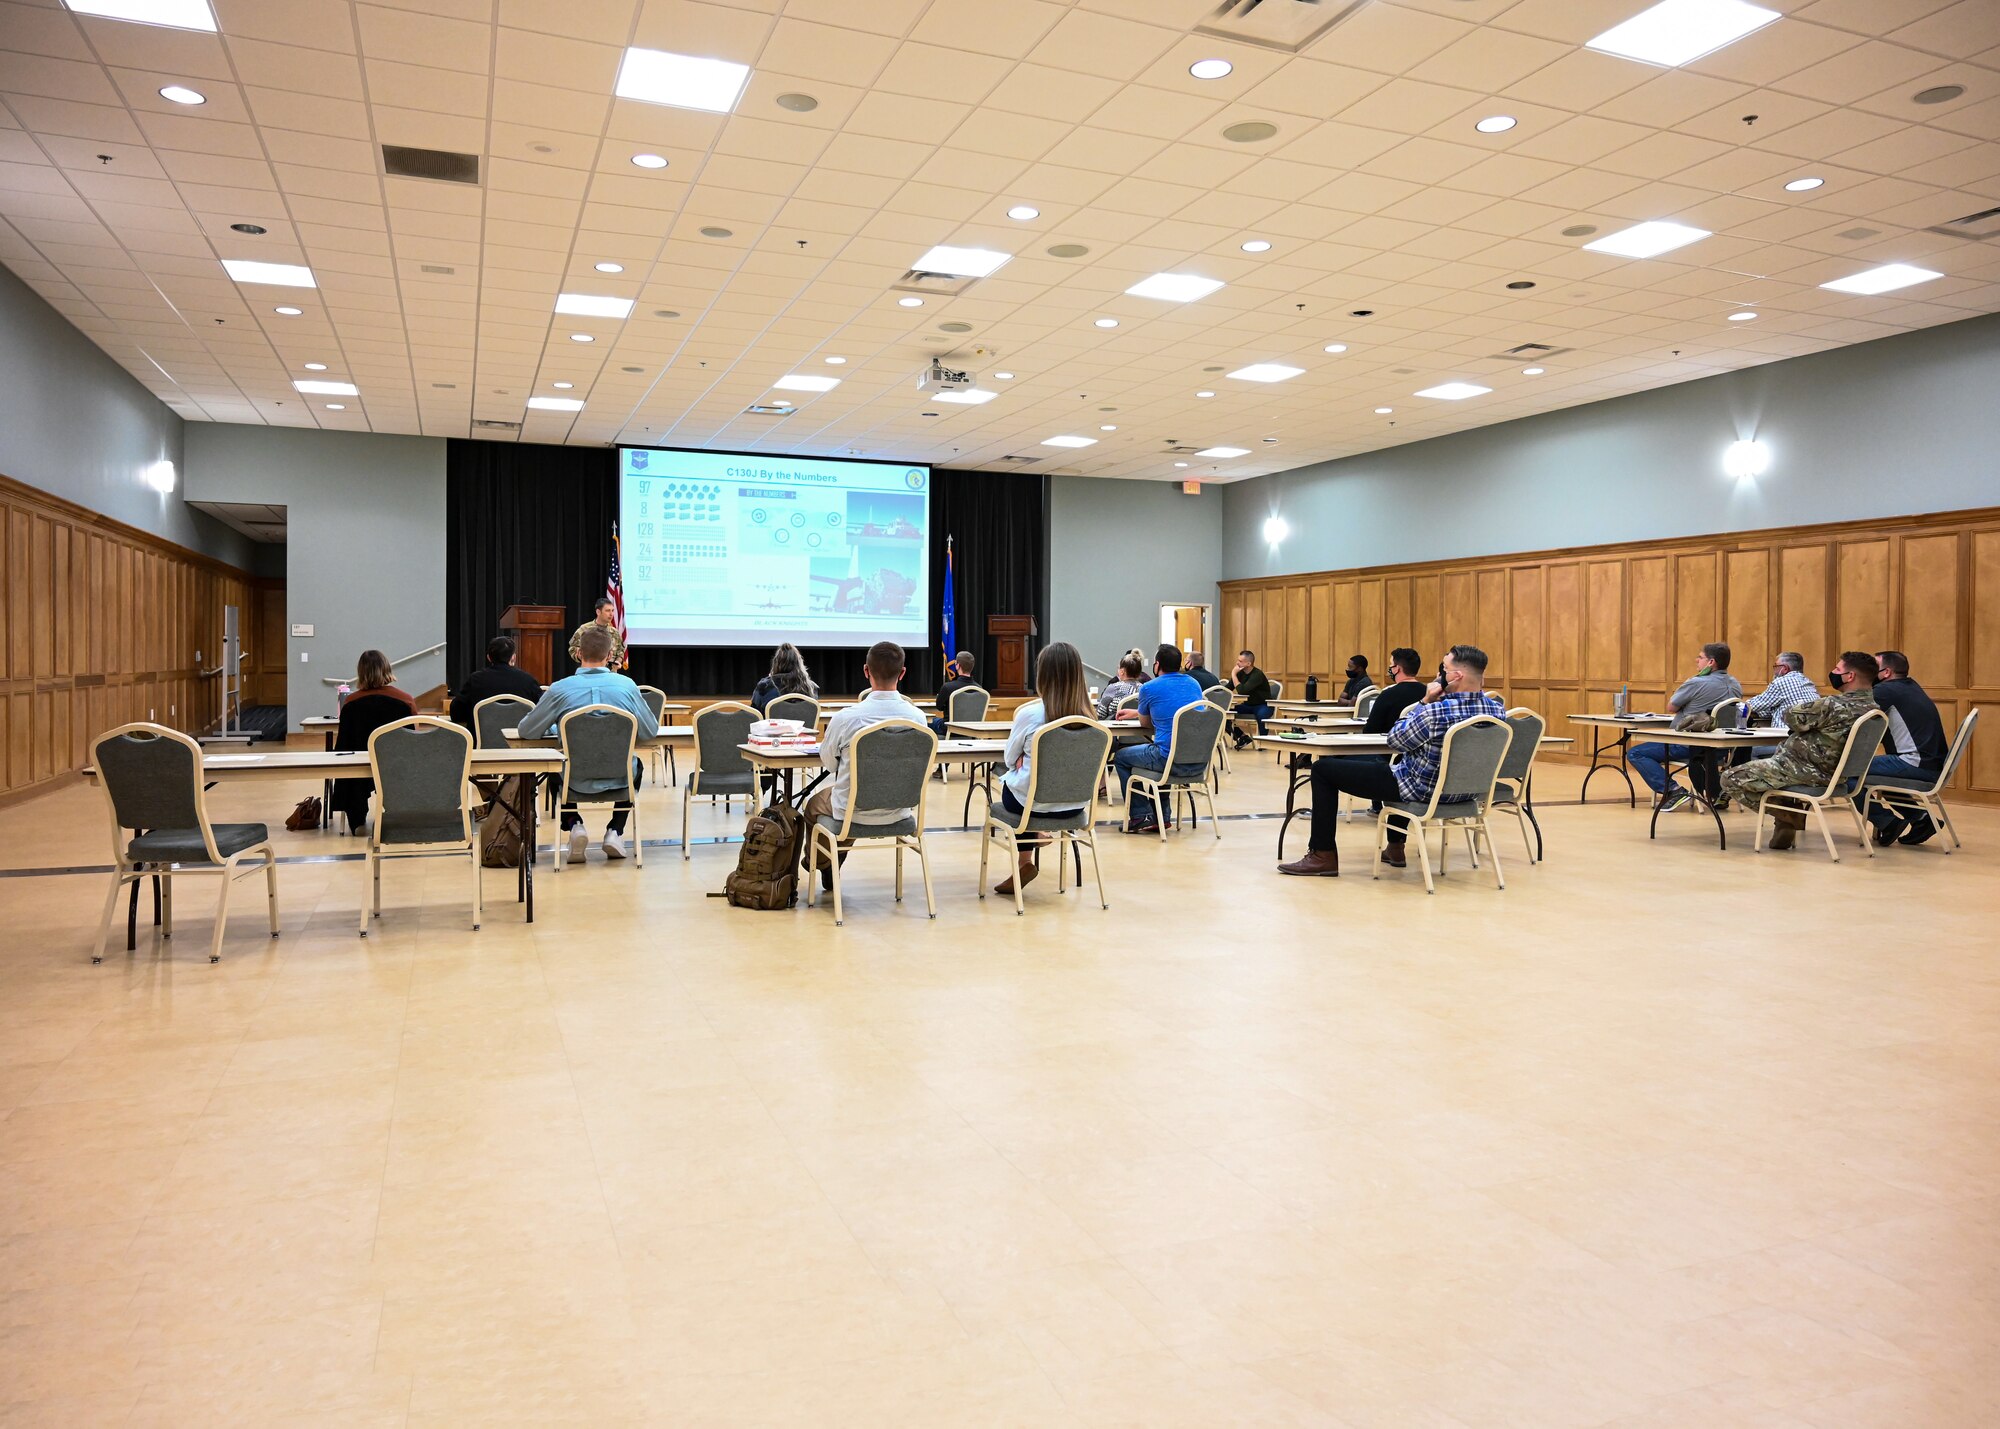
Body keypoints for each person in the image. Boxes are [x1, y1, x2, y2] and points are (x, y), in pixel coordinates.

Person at [1278, 644, 1505, 877]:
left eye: (1443, 670)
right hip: (1469, 795)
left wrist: (1425, 701)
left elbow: (1396, 740)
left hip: (1421, 791)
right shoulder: (1499, 712)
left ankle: (1322, 855)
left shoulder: (1434, 711)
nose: (1439, 675)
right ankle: (1395, 847)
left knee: (1323, 769)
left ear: (1455, 677)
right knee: (1401, 766)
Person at [518, 624, 658, 860]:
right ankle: (615, 830)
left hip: (573, 778)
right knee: (637, 765)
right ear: (609, 655)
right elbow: (650, 731)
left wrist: (558, 726)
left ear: (579, 654)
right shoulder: (628, 686)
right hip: (620, 775)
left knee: (554, 764)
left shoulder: (559, 689)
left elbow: (527, 730)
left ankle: (574, 824)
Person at [1721, 651, 1881, 851]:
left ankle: (1787, 814)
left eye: (1837, 669)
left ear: (1850, 676)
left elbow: (1792, 717)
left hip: (1801, 770)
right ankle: (1785, 818)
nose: (1833, 672)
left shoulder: (1833, 706)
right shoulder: (1874, 709)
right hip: (1837, 776)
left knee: (1731, 777)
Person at [803, 640, 925, 889]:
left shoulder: (847, 718)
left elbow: (828, 763)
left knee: (814, 806)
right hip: (900, 811)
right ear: (902, 673)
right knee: (854, 803)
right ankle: (829, 862)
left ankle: (821, 862)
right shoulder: (918, 718)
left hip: (853, 810)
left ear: (866, 671)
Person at [991, 641, 1093, 897]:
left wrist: (1022, 761)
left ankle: (1025, 861)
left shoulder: (1030, 714)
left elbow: (1008, 756)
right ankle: (1036, 834)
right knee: (1028, 788)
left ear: (1042, 674)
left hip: (1030, 805)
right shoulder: (1091, 718)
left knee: (1014, 786)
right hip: (1076, 806)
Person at [1627, 642, 1743, 812]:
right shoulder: (1735, 684)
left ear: (1711, 662)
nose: (1697, 660)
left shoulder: (1696, 682)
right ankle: (1716, 790)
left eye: (1700, 657)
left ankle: (1673, 791)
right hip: (1720, 749)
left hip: (1688, 744)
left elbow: (1671, 707)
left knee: (1635, 753)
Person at [1111, 644, 1206, 834]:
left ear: (1157, 665)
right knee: (1172, 745)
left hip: (1168, 760)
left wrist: (1139, 713)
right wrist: (1135, 712)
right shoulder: (1193, 684)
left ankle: (1140, 815)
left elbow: (1146, 723)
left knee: (1121, 757)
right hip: (1198, 761)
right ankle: (1162, 816)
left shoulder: (1150, 687)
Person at [331, 650, 419, 834]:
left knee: (352, 766)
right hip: (396, 765)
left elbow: (344, 741)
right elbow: (413, 739)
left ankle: (357, 821)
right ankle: (400, 814)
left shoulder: (350, 703)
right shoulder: (405, 700)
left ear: (361, 672)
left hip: (359, 765)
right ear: (387, 669)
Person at [1866, 649, 1947, 845]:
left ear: (1886, 673)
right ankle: (1921, 820)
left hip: (1915, 763)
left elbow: (1850, 716)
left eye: (1872, 668)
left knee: (1849, 772)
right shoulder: (1910, 686)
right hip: (1931, 764)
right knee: (1871, 773)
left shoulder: (1885, 691)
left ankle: (1887, 822)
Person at [450, 635, 542, 730]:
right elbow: (541, 712)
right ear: (513, 657)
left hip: (481, 743)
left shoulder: (475, 680)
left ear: (489, 657)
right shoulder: (528, 680)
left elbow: (456, 713)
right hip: (520, 741)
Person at [1745, 652, 1817, 736]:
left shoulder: (1782, 682)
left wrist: (1738, 704)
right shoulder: (1809, 683)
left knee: (1749, 747)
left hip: (1785, 740)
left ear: (1785, 668)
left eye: (1776, 666)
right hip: (1809, 740)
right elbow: (1772, 708)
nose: (1774, 670)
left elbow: (1752, 705)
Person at [750, 642, 818, 714]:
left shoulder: (765, 686)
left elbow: (755, 713)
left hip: (773, 725)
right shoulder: (812, 687)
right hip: (801, 725)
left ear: (776, 664)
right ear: (799, 664)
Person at [1227, 650, 1273, 749]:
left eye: (1240, 661)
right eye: (1237, 660)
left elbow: (1242, 691)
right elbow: (1227, 688)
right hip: (1248, 705)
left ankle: (1263, 742)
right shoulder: (1240, 673)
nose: (1237, 663)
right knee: (1224, 713)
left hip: (1263, 705)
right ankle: (1242, 737)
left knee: (1262, 715)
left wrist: (1233, 674)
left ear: (1248, 663)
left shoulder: (1257, 675)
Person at [567, 596, 626, 671]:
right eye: (608, 611)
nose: (611, 614)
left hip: (610, 674)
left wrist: (618, 661)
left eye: (612, 610)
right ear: (598, 612)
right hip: (589, 672)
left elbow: (621, 651)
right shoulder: (585, 629)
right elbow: (572, 648)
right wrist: (580, 657)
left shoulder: (615, 632)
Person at [931, 649, 979, 737]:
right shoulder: (980, 689)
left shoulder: (948, 687)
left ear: (958, 666)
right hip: (972, 729)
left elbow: (939, 707)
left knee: (926, 721)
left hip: (949, 728)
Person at [1094, 653, 1145, 720]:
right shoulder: (1144, 690)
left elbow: (1100, 715)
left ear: (1122, 672)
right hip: (1139, 729)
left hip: (1115, 729)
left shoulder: (1113, 688)